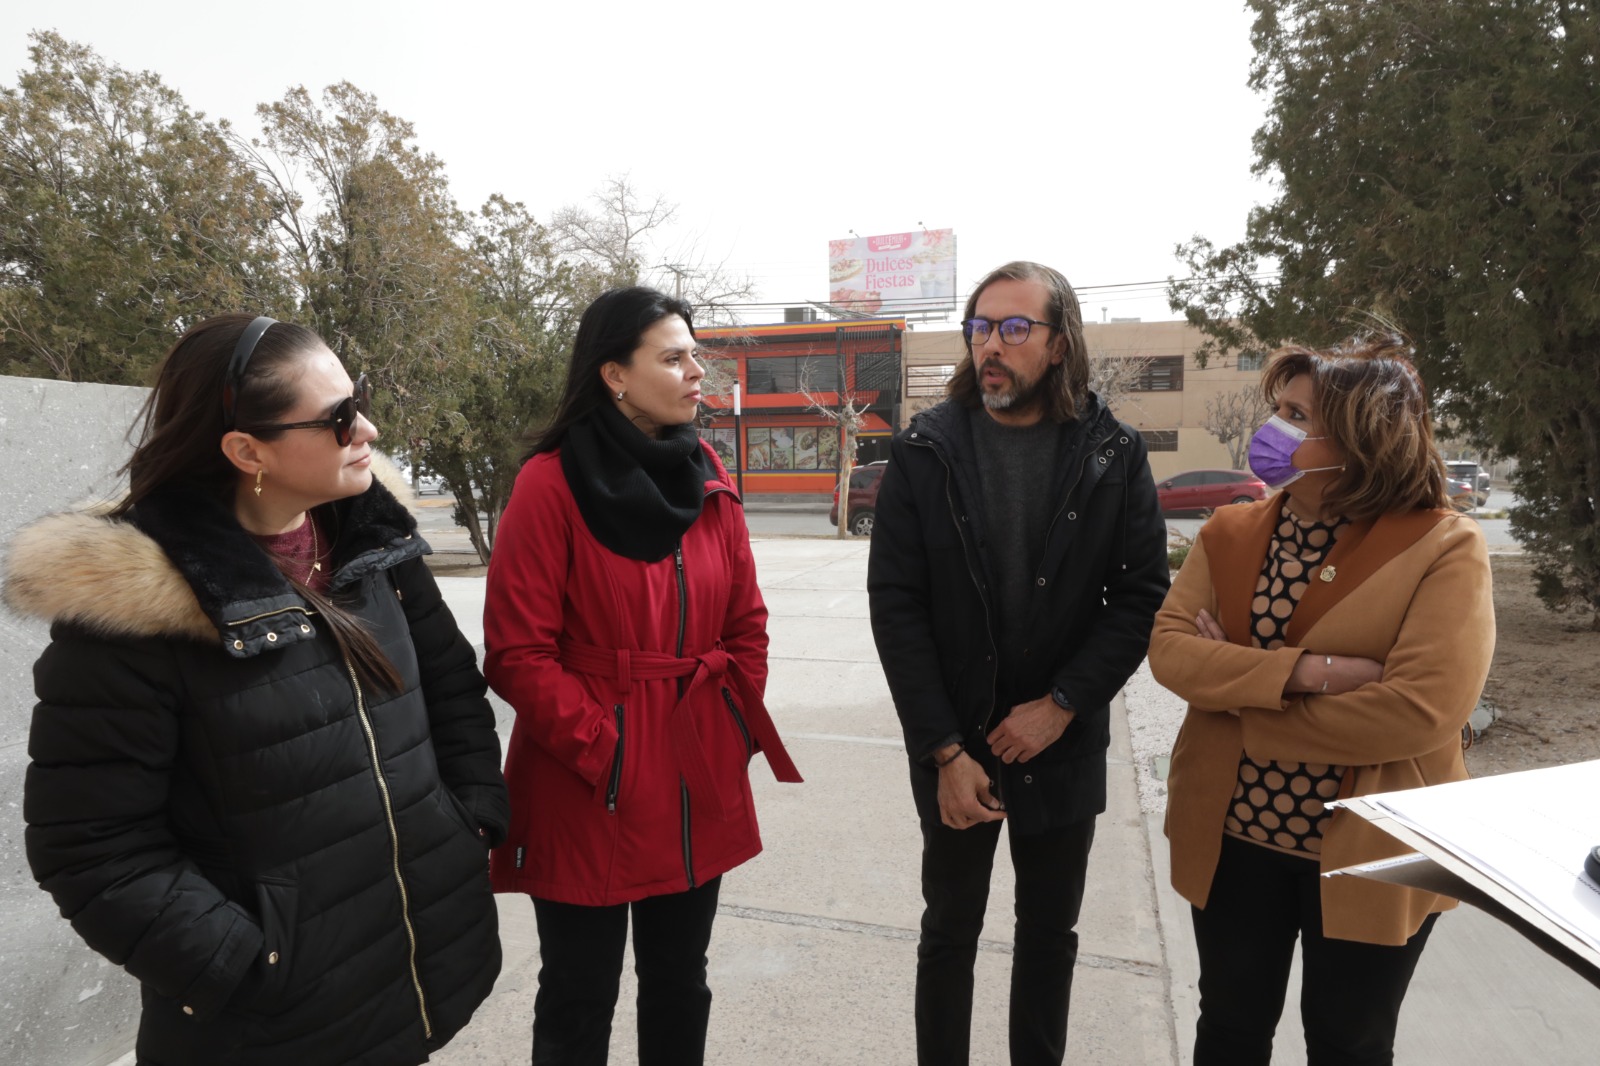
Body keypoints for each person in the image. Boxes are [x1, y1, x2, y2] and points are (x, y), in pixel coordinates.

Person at [10, 314, 509, 1066]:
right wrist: (244, 965)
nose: (367, 428)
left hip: (411, 972)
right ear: (247, 450)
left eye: (361, 398)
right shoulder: (135, 607)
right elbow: (90, 849)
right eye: (341, 418)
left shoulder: (374, 542)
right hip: (270, 1027)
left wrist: (469, 819)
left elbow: (450, 688)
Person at [1150, 334, 1495, 1065]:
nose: (1274, 430)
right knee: (1231, 1027)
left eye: (1299, 415)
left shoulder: (1442, 546)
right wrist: (1307, 673)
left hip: (1378, 848)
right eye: (1278, 408)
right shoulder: (1233, 529)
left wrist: (1237, 686)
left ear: (1364, 435)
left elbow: (1420, 711)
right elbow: (1172, 651)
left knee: (1349, 1040)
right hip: (1235, 836)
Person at [483, 286, 801, 1065]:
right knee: (579, 995)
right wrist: (608, 745)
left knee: (679, 983)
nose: (699, 372)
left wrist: (728, 730)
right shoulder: (548, 484)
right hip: (587, 775)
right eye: (675, 357)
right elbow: (516, 652)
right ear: (614, 374)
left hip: (695, 768)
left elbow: (747, 625)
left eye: (697, 355)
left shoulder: (709, 474)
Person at [867, 261, 1170, 1065]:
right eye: (979, 327)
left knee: (1048, 935)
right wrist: (943, 750)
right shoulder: (926, 451)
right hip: (954, 749)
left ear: (1059, 343)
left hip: (1061, 744)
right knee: (949, 932)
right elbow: (897, 609)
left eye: (1013, 329)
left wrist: (1063, 705)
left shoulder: (1113, 453)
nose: (990, 346)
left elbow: (1139, 597)